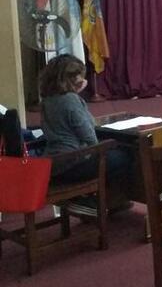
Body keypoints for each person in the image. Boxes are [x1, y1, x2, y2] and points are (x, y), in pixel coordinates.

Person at [39, 55, 131, 207]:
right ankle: (107, 201)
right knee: (123, 155)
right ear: (72, 79)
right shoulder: (70, 100)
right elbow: (90, 139)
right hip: (72, 164)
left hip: (52, 165)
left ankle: (101, 199)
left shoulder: (47, 101)